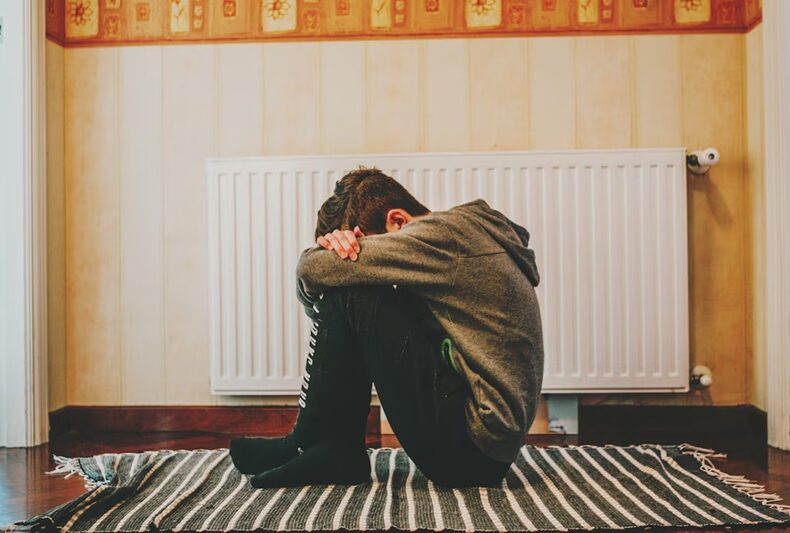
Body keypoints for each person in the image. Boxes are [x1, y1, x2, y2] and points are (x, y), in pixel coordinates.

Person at [230, 167, 544, 489]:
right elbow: (332, 303)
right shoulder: (462, 236)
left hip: (471, 449)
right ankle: (324, 446)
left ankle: (315, 445)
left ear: (398, 221)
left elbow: (312, 268)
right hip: (483, 446)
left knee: (353, 291)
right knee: (355, 288)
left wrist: (329, 260)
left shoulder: (444, 236)